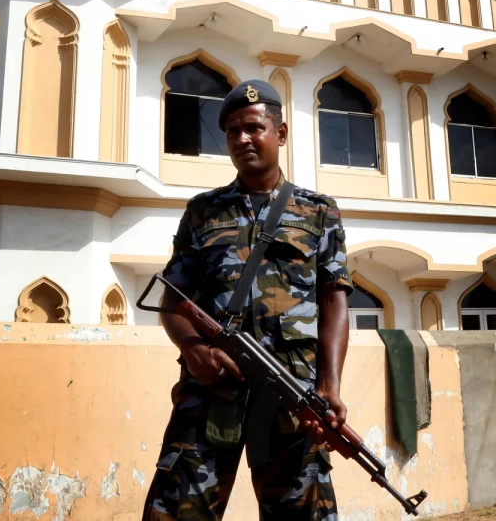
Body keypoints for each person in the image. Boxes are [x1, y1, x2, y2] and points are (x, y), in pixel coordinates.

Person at [143, 79, 352, 521]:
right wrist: (194, 349)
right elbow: (171, 300)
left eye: (254, 128)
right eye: (233, 131)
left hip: (291, 391)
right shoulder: (204, 211)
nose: (242, 139)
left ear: (280, 133)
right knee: (176, 512)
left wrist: (328, 385)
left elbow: (335, 300)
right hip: (211, 390)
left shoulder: (319, 212)